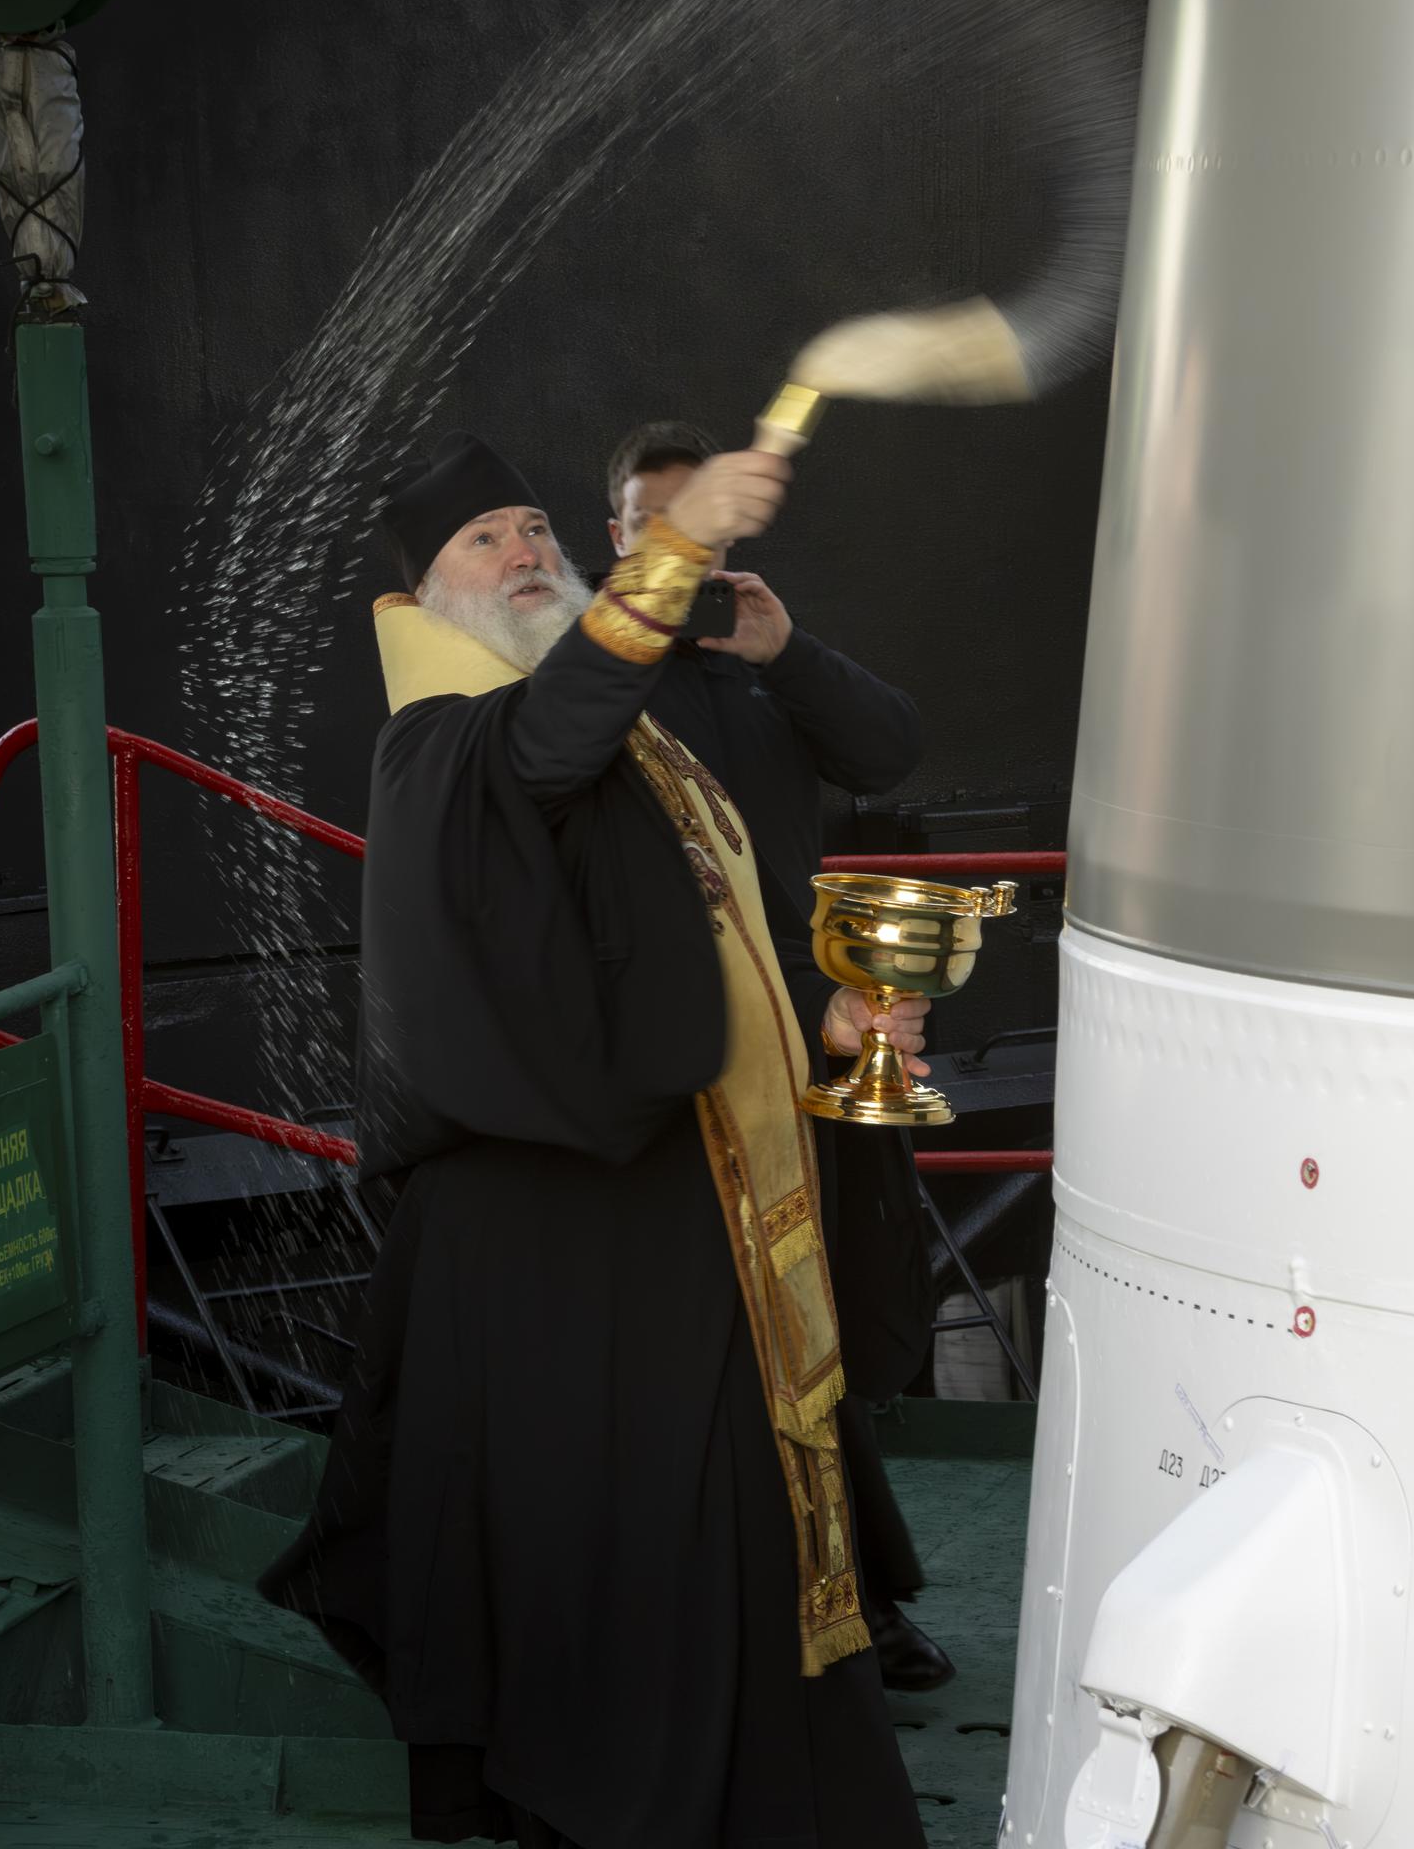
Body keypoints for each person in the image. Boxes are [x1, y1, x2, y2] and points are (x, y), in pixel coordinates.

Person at [262, 429, 932, 1849]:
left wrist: (806, 1022)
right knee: (616, 1546)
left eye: (528, 529)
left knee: (723, 1519)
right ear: (421, 598)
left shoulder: (629, 744)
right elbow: (544, 739)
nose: (521, 554)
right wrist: (681, 544)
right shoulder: (447, 741)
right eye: (482, 542)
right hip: (545, 1238)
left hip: (668, 1200)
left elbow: (666, 934)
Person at [604, 420, 957, 1694]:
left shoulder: (755, 662)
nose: (682, 552)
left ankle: (858, 1601)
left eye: (704, 526)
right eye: (659, 526)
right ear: (617, 541)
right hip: (687, 1064)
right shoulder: (585, 680)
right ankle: (760, 1618)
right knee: (722, 1349)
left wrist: (789, 650)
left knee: (835, 1335)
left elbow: (889, 747)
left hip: (811, 1044)